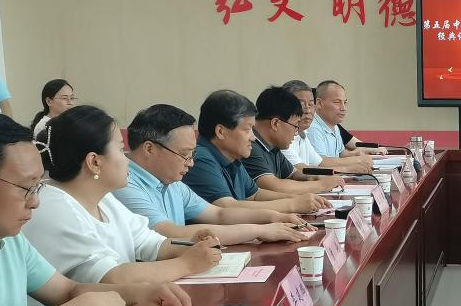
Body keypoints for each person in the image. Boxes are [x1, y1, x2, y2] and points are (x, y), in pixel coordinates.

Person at [0, 114, 192, 306]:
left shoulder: (11, 241)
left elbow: (67, 291)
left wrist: (141, 293)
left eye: (37, 187)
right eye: (26, 187)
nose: (35, 202)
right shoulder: (50, 211)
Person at [22, 106, 222, 285]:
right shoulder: (55, 208)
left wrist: (190, 244)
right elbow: (111, 277)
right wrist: (186, 264)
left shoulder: (104, 199)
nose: (126, 158)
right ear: (94, 162)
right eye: (119, 149)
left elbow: (149, 243)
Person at [113, 104, 312, 245]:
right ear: (149, 149)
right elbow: (172, 233)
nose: (191, 163)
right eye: (184, 154)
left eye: (192, 154)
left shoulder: (172, 183)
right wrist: (259, 230)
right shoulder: (125, 185)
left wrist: (273, 217)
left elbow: (218, 214)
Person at [182, 90, 332, 214]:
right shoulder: (201, 159)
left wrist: (297, 199)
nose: (253, 137)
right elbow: (226, 207)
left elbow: (255, 195)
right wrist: (292, 204)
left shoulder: (233, 157)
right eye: (247, 130)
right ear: (221, 131)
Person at [243, 86, 345, 195]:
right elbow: (274, 186)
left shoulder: (273, 147)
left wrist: (317, 177)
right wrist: (321, 185)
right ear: (275, 123)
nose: (296, 133)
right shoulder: (250, 147)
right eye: (295, 126)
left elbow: (293, 174)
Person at [279, 80, 372, 175]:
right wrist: (350, 168)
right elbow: (302, 170)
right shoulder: (284, 137)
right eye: (301, 105)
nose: (308, 110)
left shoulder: (303, 133)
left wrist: (353, 164)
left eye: (311, 104)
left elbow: (320, 163)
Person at [308, 80, 386, 159]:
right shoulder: (313, 128)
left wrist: (358, 153)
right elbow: (322, 162)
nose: (343, 108)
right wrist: (357, 161)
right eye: (337, 102)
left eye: (345, 102)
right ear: (319, 103)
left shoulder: (334, 126)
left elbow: (341, 154)